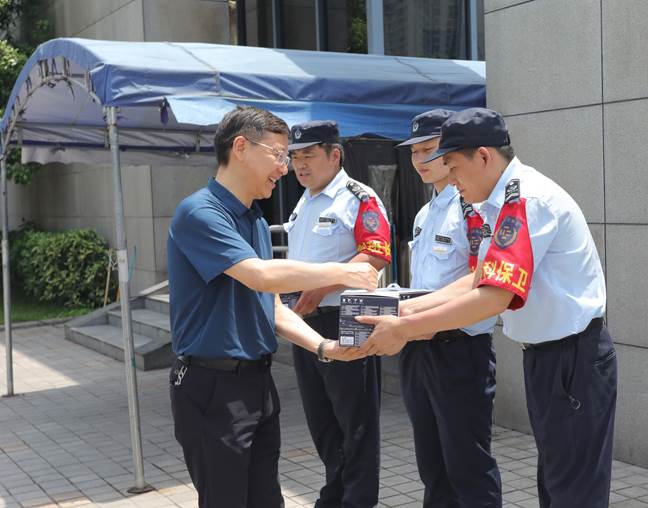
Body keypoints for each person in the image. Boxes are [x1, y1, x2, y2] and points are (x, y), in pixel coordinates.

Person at [357, 107, 616, 508]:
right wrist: (405, 312)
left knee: (572, 491)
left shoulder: (525, 200)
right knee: (556, 483)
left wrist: (406, 328)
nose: (451, 178)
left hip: (571, 357)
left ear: (482, 156)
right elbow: (477, 278)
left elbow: (495, 296)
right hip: (548, 357)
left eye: (453, 166)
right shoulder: (498, 204)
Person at [167, 106, 373, 508]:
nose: (285, 168)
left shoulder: (255, 221)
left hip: (257, 383)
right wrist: (342, 271)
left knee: (267, 499)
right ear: (240, 148)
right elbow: (260, 275)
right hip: (213, 386)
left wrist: (324, 347)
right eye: (278, 155)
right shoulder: (200, 213)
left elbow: (272, 305)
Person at [394, 109, 501, 507]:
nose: (420, 160)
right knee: (432, 465)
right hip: (417, 347)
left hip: (459, 350)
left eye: (429, 150)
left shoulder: (473, 208)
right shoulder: (425, 213)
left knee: (468, 466)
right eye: (414, 152)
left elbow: (480, 276)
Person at [283, 120, 391, 508]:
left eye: (309, 155)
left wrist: (318, 289)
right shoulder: (304, 201)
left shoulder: (357, 197)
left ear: (335, 155)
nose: (300, 165)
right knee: (321, 418)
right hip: (306, 321)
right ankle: (336, 492)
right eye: (295, 157)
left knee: (355, 421)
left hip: (346, 318)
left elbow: (377, 253)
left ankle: (357, 500)